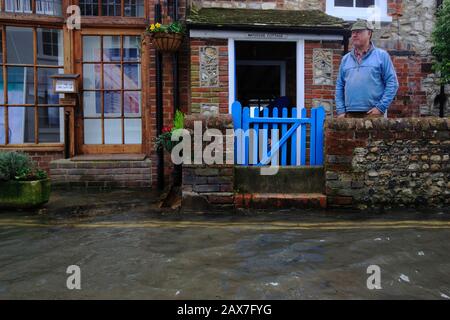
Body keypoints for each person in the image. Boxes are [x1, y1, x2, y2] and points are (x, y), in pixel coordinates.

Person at [335, 19, 399, 118]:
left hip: (373, 113)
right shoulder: (345, 59)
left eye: (358, 32)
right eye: (353, 32)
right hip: (349, 114)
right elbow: (339, 86)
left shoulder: (381, 56)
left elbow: (392, 83)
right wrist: (341, 110)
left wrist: (380, 107)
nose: (354, 35)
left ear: (369, 33)